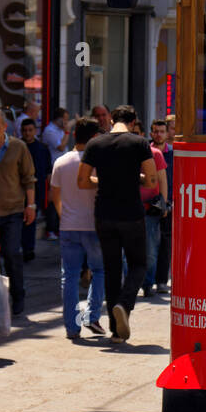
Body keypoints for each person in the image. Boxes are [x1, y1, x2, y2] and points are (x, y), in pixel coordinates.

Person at [77, 105, 157, 342]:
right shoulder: (139, 143)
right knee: (138, 264)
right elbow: (152, 179)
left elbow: (82, 181)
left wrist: (104, 180)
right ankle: (124, 304)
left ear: (111, 120)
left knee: (112, 269)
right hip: (131, 213)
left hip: (104, 214)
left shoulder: (95, 144)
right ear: (133, 123)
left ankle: (115, 331)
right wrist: (134, 178)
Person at [49, 116, 106, 340]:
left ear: (74, 135)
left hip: (69, 226)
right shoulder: (98, 164)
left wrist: (65, 217)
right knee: (99, 271)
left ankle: (72, 327)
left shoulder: (61, 162)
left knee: (69, 277)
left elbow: (55, 196)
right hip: (93, 225)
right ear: (94, 137)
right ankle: (92, 316)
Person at [0, 109, 35, 323]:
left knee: (12, 253)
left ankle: (18, 295)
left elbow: (29, 178)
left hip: (12, 210)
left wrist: (31, 205)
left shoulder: (18, 147)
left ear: (5, 127)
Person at [139, 127, 168, 297]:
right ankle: (132, 283)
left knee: (150, 251)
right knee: (128, 252)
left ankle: (148, 283)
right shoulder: (128, 153)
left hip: (150, 210)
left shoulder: (155, 154)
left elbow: (163, 180)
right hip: (130, 208)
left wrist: (163, 203)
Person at [19, 118, 51, 262]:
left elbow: (48, 171)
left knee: (30, 220)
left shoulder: (42, 148)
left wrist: (49, 191)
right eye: (25, 130)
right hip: (18, 189)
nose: (27, 133)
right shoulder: (17, 147)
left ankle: (28, 248)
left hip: (36, 190)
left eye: (30, 130)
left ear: (35, 131)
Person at [150, 118, 173, 292]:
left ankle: (161, 281)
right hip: (148, 203)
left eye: (162, 131)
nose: (159, 134)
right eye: (156, 131)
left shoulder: (173, 153)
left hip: (168, 203)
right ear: (151, 133)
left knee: (165, 243)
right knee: (148, 245)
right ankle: (147, 281)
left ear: (167, 134)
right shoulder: (145, 152)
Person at [41, 109, 70, 238]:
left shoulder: (59, 130)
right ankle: (50, 228)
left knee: (63, 198)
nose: (66, 122)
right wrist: (67, 132)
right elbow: (61, 146)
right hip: (54, 167)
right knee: (54, 198)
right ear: (58, 119)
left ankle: (58, 226)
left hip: (63, 166)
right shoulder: (50, 131)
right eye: (64, 119)